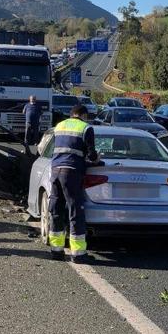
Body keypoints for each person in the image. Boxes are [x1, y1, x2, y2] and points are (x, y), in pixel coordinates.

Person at [48, 104, 99, 263]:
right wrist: (96, 159)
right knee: (75, 209)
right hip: (71, 172)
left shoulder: (59, 126)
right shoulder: (86, 128)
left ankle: (56, 250)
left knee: (56, 209)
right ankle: (78, 254)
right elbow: (91, 155)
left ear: (72, 114)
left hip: (55, 170)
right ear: (84, 115)